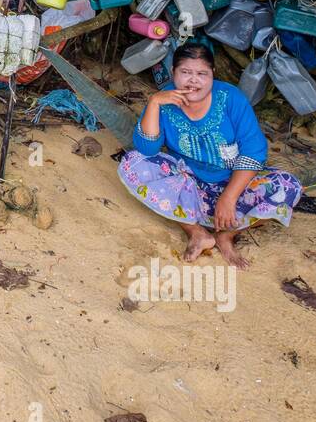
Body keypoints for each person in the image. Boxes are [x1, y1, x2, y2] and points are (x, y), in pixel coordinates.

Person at [117, 42, 301, 269]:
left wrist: (229, 197)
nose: (193, 80)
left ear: (212, 75)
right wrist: (154, 103)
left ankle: (227, 235)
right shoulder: (164, 100)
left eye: (201, 74)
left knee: (288, 185)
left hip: (233, 185)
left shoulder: (231, 98)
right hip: (188, 187)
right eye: (185, 72)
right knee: (134, 162)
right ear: (173, 72)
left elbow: (254, 152)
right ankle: (196, 231)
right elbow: (147, 150)